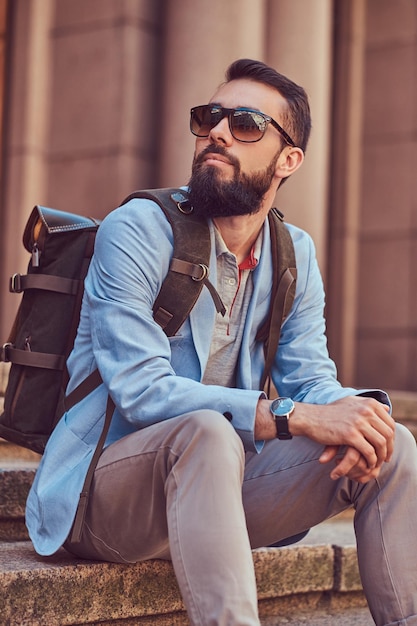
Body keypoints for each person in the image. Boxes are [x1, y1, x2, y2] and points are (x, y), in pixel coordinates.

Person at [26, 59, 417, 626]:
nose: (218, 132)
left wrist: (356, 414)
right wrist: (292, 416)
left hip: (222, 495)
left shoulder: (294, 253)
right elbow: (142, 392)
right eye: (211, 117)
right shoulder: (137, 228)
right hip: (105, 499)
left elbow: (311, 380)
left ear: (289, 159)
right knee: (206, 433)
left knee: (392, 443)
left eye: (246, 124)